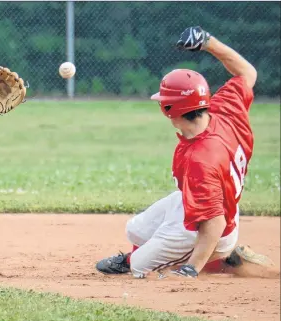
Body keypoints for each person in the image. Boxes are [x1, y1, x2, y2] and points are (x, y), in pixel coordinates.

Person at [96, 26, 273, 278]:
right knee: (135, 230)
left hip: (213, 227)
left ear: (170, 109)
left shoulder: (200, 159)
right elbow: (248, 72)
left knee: (139, 266)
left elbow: (215, 222)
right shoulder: (224, 108)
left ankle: (223, 260)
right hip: (201, 198)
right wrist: (207, 42)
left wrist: (192, 268)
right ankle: (153, 254)